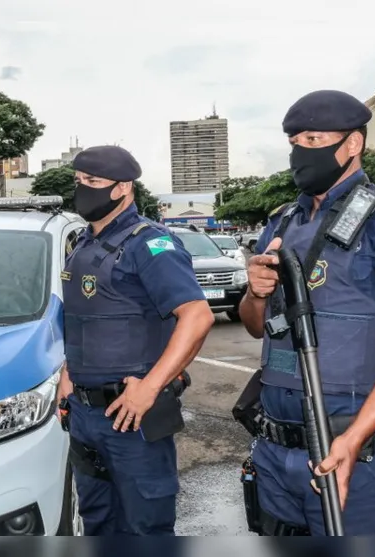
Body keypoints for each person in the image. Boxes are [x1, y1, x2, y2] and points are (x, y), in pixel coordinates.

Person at [238, 90, 375, 536]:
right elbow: (258, 327)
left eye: (313, 139)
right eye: (295, 140)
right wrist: (256, 294)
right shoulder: (281, 222)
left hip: (352, 444)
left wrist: (353, 441)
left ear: (352, 144)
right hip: (275, 448)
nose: (300, 151)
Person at [56, 145, 215, 536]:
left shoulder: (150, 243)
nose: (82, 190)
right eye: (78, 182)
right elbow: (83, 320)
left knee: (145, 527)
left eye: (92, 182)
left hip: (133, 415)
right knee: (97, 522)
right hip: (86, 412)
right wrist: (67, 373)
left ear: (123, 187)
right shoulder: (83, 245)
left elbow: (197, 316)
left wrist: (151, 387)